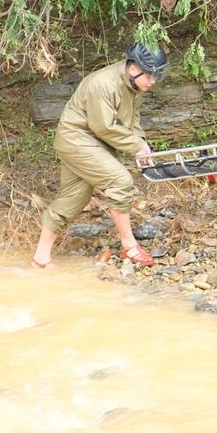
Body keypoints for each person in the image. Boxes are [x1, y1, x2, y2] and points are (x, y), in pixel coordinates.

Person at [30, 42, 167, 269]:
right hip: (77, 140)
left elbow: (131, 120)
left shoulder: (136, 87)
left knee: (74, 199)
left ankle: (40, 258)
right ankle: (129, 245)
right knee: (120, 181)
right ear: (134, 68)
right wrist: (135, 146)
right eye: (151, 76)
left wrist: (141, 143)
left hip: (91, 142)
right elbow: (103, 126)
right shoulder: (103, 84)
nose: (153, 81)